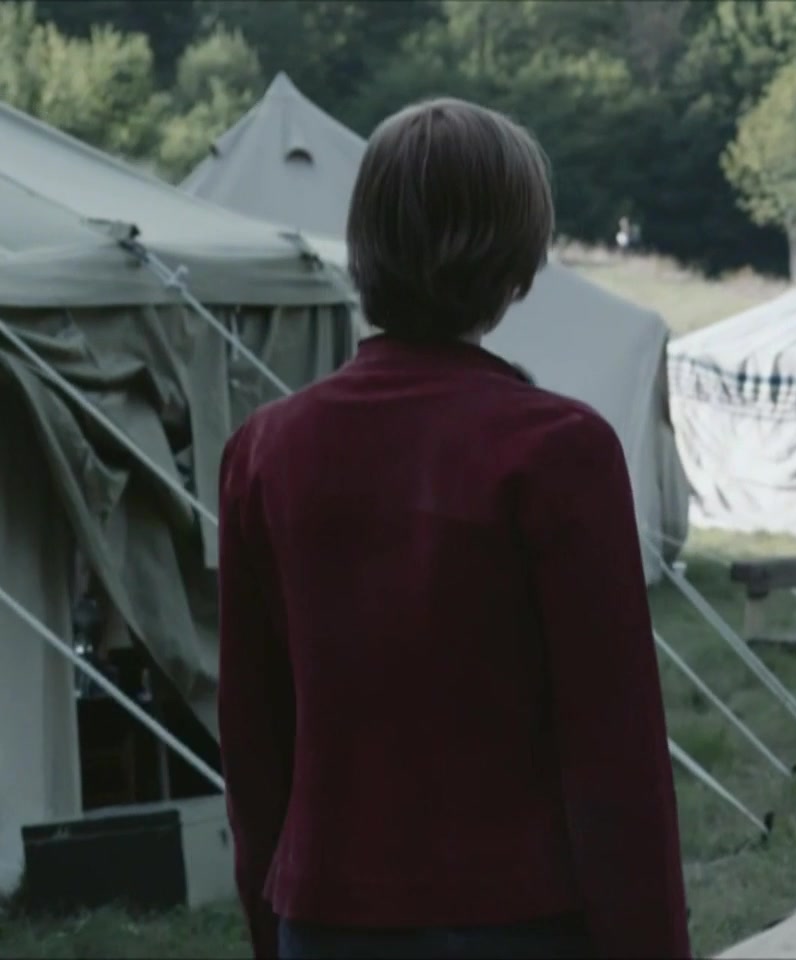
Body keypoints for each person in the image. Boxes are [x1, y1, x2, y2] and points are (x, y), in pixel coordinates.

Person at [218, 98, 689, 960]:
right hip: (519, 922)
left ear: (367, 243)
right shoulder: (558, 450)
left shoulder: (264, 451)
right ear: (517, 259)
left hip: (324, 923)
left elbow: (254, 745)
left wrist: (269, 927)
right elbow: (614, 758)